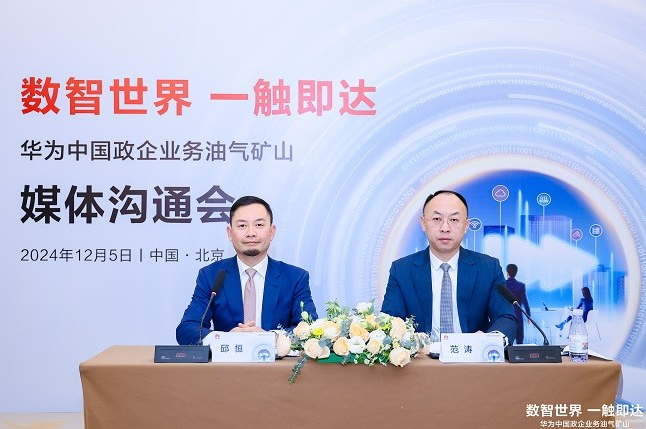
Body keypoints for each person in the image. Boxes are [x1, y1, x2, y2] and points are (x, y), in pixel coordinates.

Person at [176, 195, 318, 345]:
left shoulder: (295, 278)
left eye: (259, 225)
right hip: (228, 360)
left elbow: (310, 330)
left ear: (272, 232)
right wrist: (224, 339)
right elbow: (186, 330)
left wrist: (269, 338)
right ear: (230, 233)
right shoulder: (211, 275)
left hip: (276, 360)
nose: (251, 233)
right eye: (242, 225)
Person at [381, 190, 517, 344]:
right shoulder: (402, 270)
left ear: (466, 225)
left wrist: (490, 340)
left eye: (454, 220)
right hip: (421, 356)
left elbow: (505, 317)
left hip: (471, 355)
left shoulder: (488, 268)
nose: (445, 228)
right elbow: (390, 321)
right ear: (423, 223)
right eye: (437, 219)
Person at [506, 264, 531, 344]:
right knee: (520, 340)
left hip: (506, 316)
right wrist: (528, 315)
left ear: (507, 272)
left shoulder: (503, 285)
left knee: (506, 339)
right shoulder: (521, 286)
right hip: (518, 315)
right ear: (516, 272)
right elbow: (525, 302)